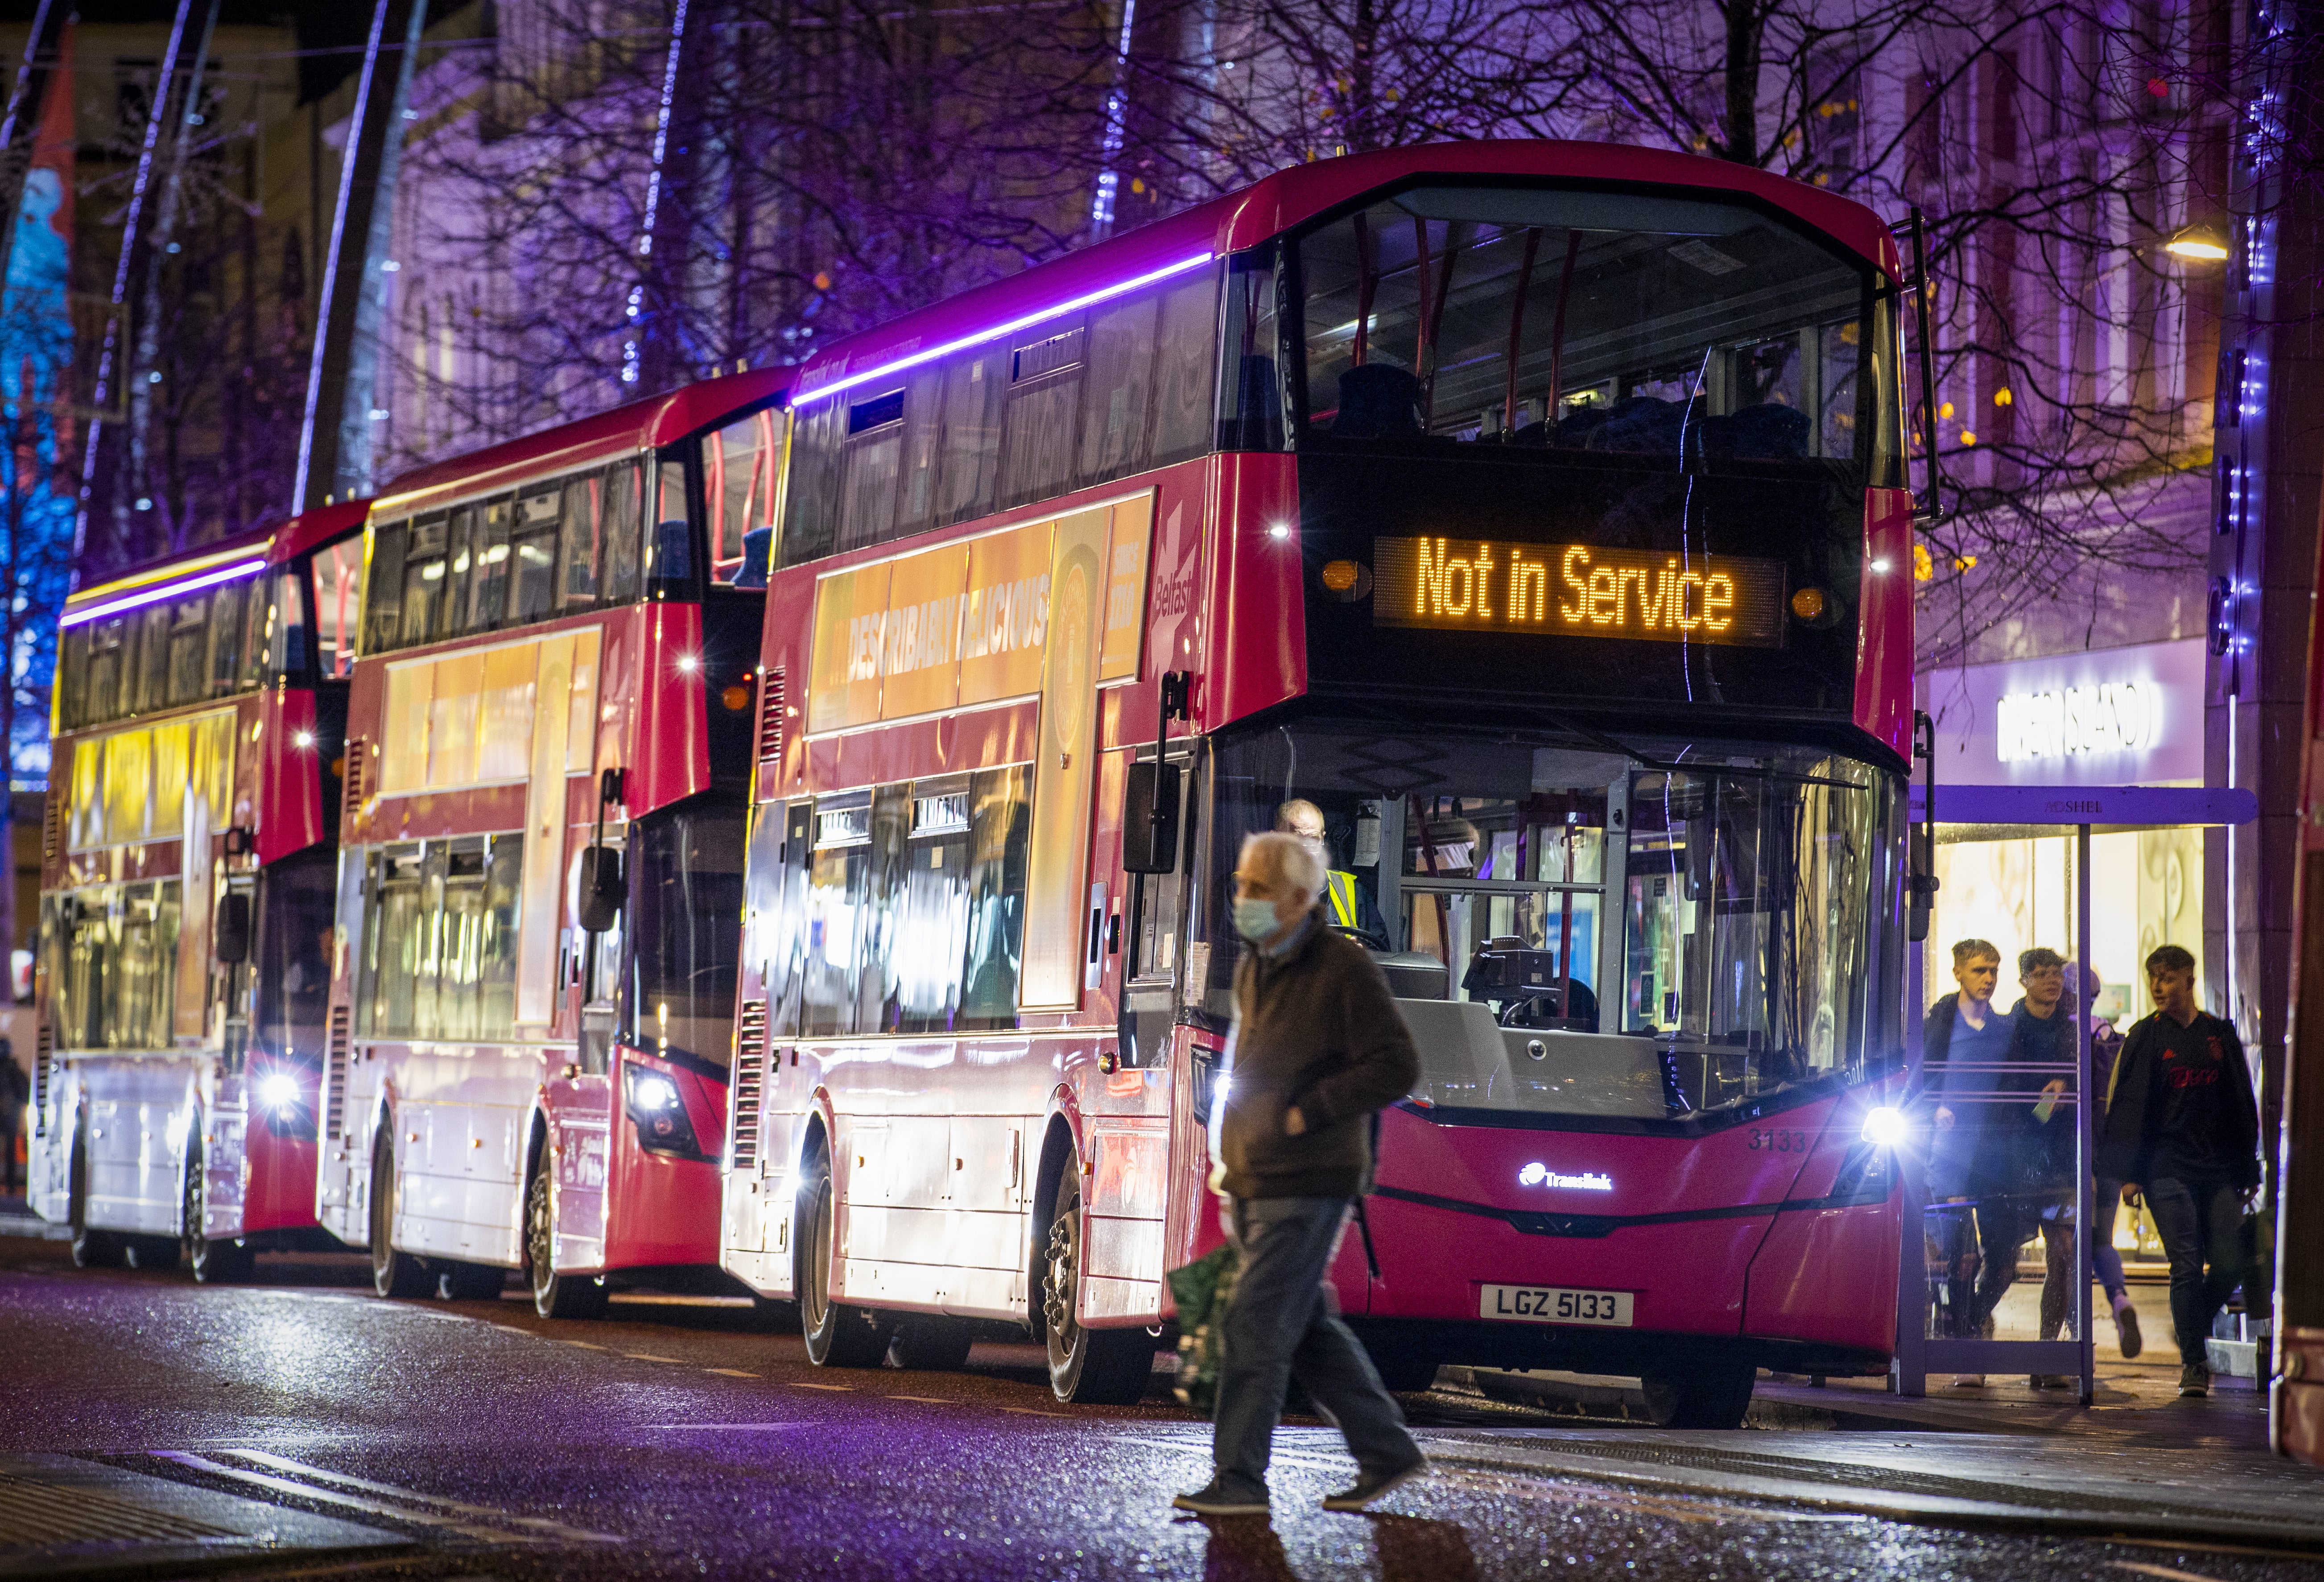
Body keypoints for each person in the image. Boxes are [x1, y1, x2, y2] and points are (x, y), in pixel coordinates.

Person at [1174, 830, 1426, 1518]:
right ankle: (1385, 1450)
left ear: (1296, 897)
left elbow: (1396, 1065)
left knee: (1253, 1322)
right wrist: (1231, 1158)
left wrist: (1309, 1111)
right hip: (1255, 1177)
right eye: (1240, 883)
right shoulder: (1257, 964)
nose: (1243, 899)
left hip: (1312, 1176)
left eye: (1257, 887)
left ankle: (1239, 1480)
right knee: (1305, 1325)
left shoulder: (1343, 966)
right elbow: (1248, 1069)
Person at [2097, 944, 2261, 1398]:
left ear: (2190, 980)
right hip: (2166, 1168)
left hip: (2218, 1167)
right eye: (2153, 978)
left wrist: (2248, 1166)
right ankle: (2194, 1363)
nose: (2158, 986)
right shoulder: (2145, 1036)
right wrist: (2129, 1173)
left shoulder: (2219, 1034)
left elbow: (2240, 1100)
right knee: (2185, 1262)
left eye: (2168, 977)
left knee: (2232, 1258)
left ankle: (2191, 1321)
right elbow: (2129, 1107)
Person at [1919, 938, 2031, 1386]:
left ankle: (1969, 1321)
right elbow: (1921, 1078)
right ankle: (1966, 1340)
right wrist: (1935, 1109)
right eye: (1980, 970)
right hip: (1950, 1155)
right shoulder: (1940, 1026)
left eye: (1993, 971)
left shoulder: (2005, 1029)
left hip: (1994, 1156)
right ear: (1959, 973)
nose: (1988, 979)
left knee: (2003, 1261)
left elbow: (2019, 1087)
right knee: (1959, 1255)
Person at [2029, 963, 2141, 1383]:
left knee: (2059, 1257)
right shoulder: (2110, 1036)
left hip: (2064, 1160)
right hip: (2107, 1157)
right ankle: (2117, 1299)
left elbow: (2040, 1112)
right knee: (2097, 1243)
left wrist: (2035, 1120)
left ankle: (2052, 1353)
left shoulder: (2058, 1035)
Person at [1275, 799, 1384, 939]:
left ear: (1322, 838)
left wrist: (1361, 950)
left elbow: (1381, 948)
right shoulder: (1249, 888)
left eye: (1314, 839)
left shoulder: (1351, 891)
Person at [0, 1037, 23, 1195]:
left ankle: (11, 1184)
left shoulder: (12, 1069)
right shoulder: (13, 1068)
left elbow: (23, 1090)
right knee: (10, 1149)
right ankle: (11, 1184)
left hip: (9, 1115)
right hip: (10, 1115)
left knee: (10, 1149)